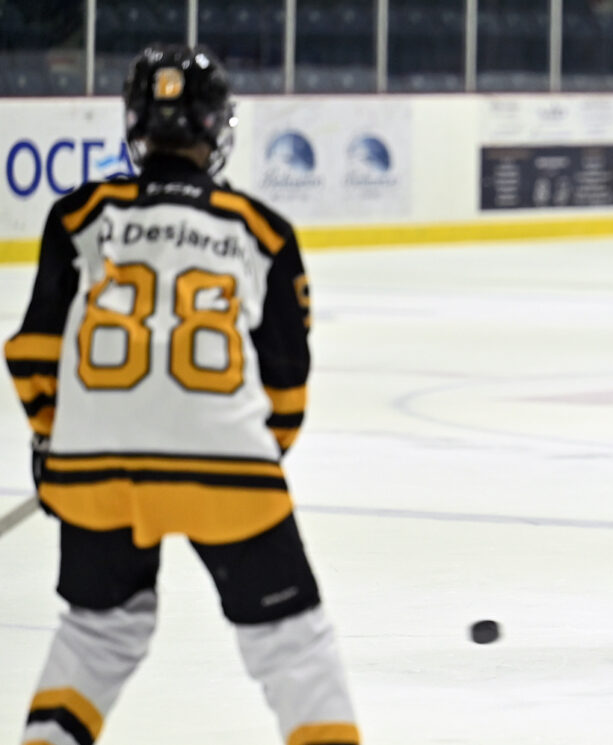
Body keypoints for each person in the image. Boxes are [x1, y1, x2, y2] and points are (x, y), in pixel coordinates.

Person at [4, 44, 360, 744]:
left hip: (94, 464)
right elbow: (287, 382)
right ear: (216, 126)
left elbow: (36, 351)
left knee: (97, 631)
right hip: (227, 461)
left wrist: (53, 443)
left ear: (135, 122)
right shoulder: (263, 230)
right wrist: (253, 452)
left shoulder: (79, 215)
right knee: (292, 643)